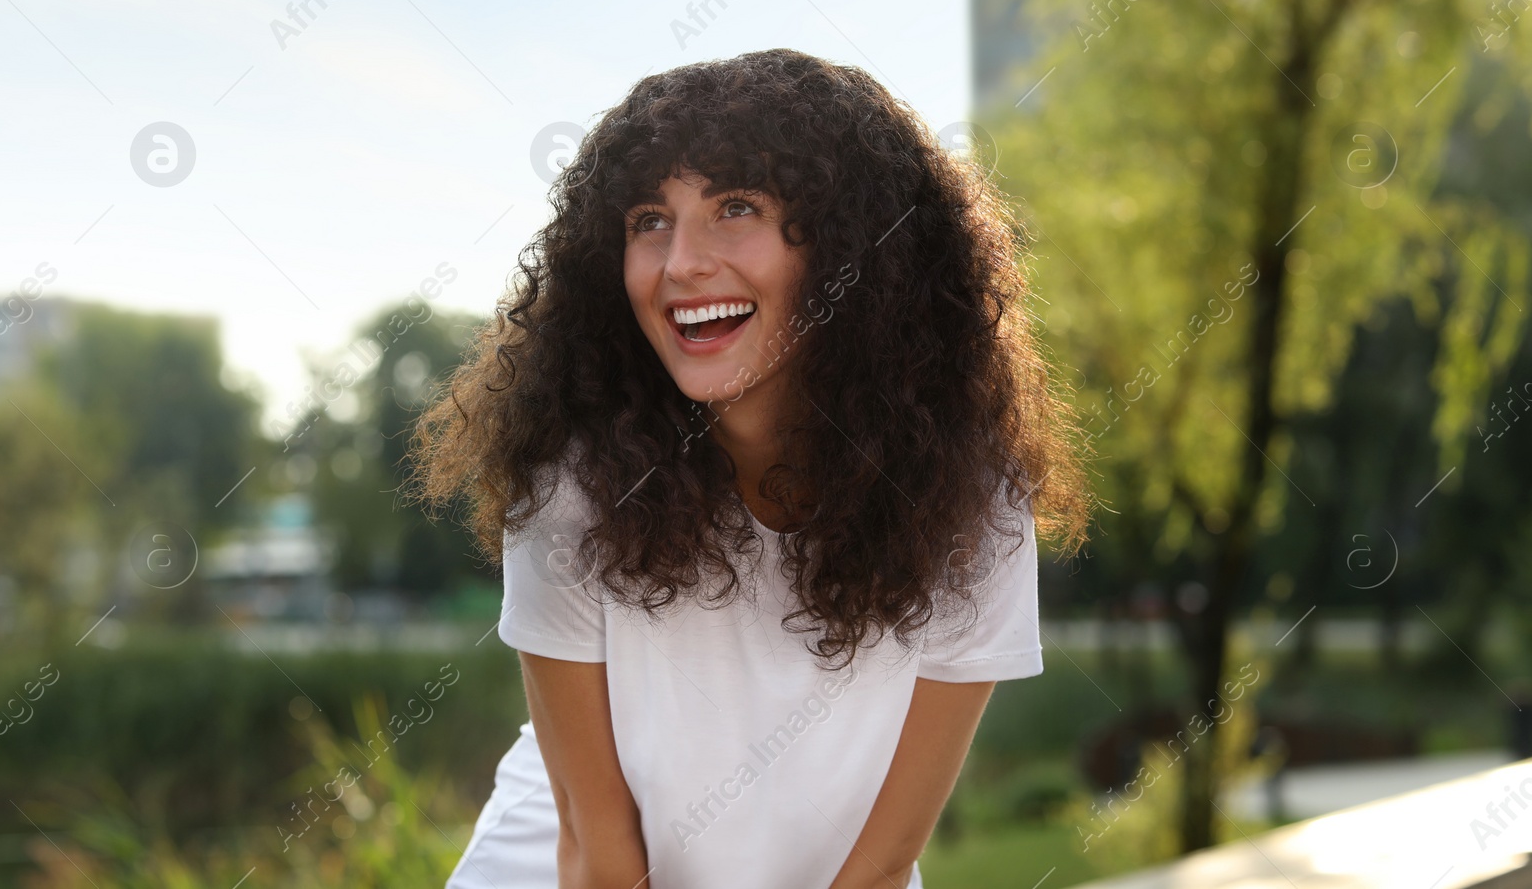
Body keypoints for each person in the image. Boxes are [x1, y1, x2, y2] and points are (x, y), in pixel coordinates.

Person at [410, 48, 1089, 889]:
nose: (680, 263)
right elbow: (597, 856)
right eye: (648, 220)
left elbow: (881, 870)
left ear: (852, 250)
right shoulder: (571, 484)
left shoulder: (973, 502)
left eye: (735, 208)